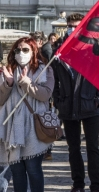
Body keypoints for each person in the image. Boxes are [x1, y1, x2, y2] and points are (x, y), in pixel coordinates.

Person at [52, 13, 99, 192]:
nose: (72, 29)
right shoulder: (59, 48)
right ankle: (78, 184)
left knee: (93, 148)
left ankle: (96, 185)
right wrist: (59, 101)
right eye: (69, 25)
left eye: (76, 26)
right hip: (68, 106)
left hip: (90, 105)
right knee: (73, 149)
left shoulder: (94, 48)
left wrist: (98, 99)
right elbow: (54, 78)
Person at [0, 37, 54, 192]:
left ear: (33, 51)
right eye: (17, 50)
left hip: (33, 125)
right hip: (12, 127)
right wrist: (8, 83)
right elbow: (0, 99)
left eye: (25, 50)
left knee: (33, 169)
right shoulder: (8, 69)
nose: (20, 53)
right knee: (17, 171)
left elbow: (46, 95)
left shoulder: (46, 70)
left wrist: (26, 83)